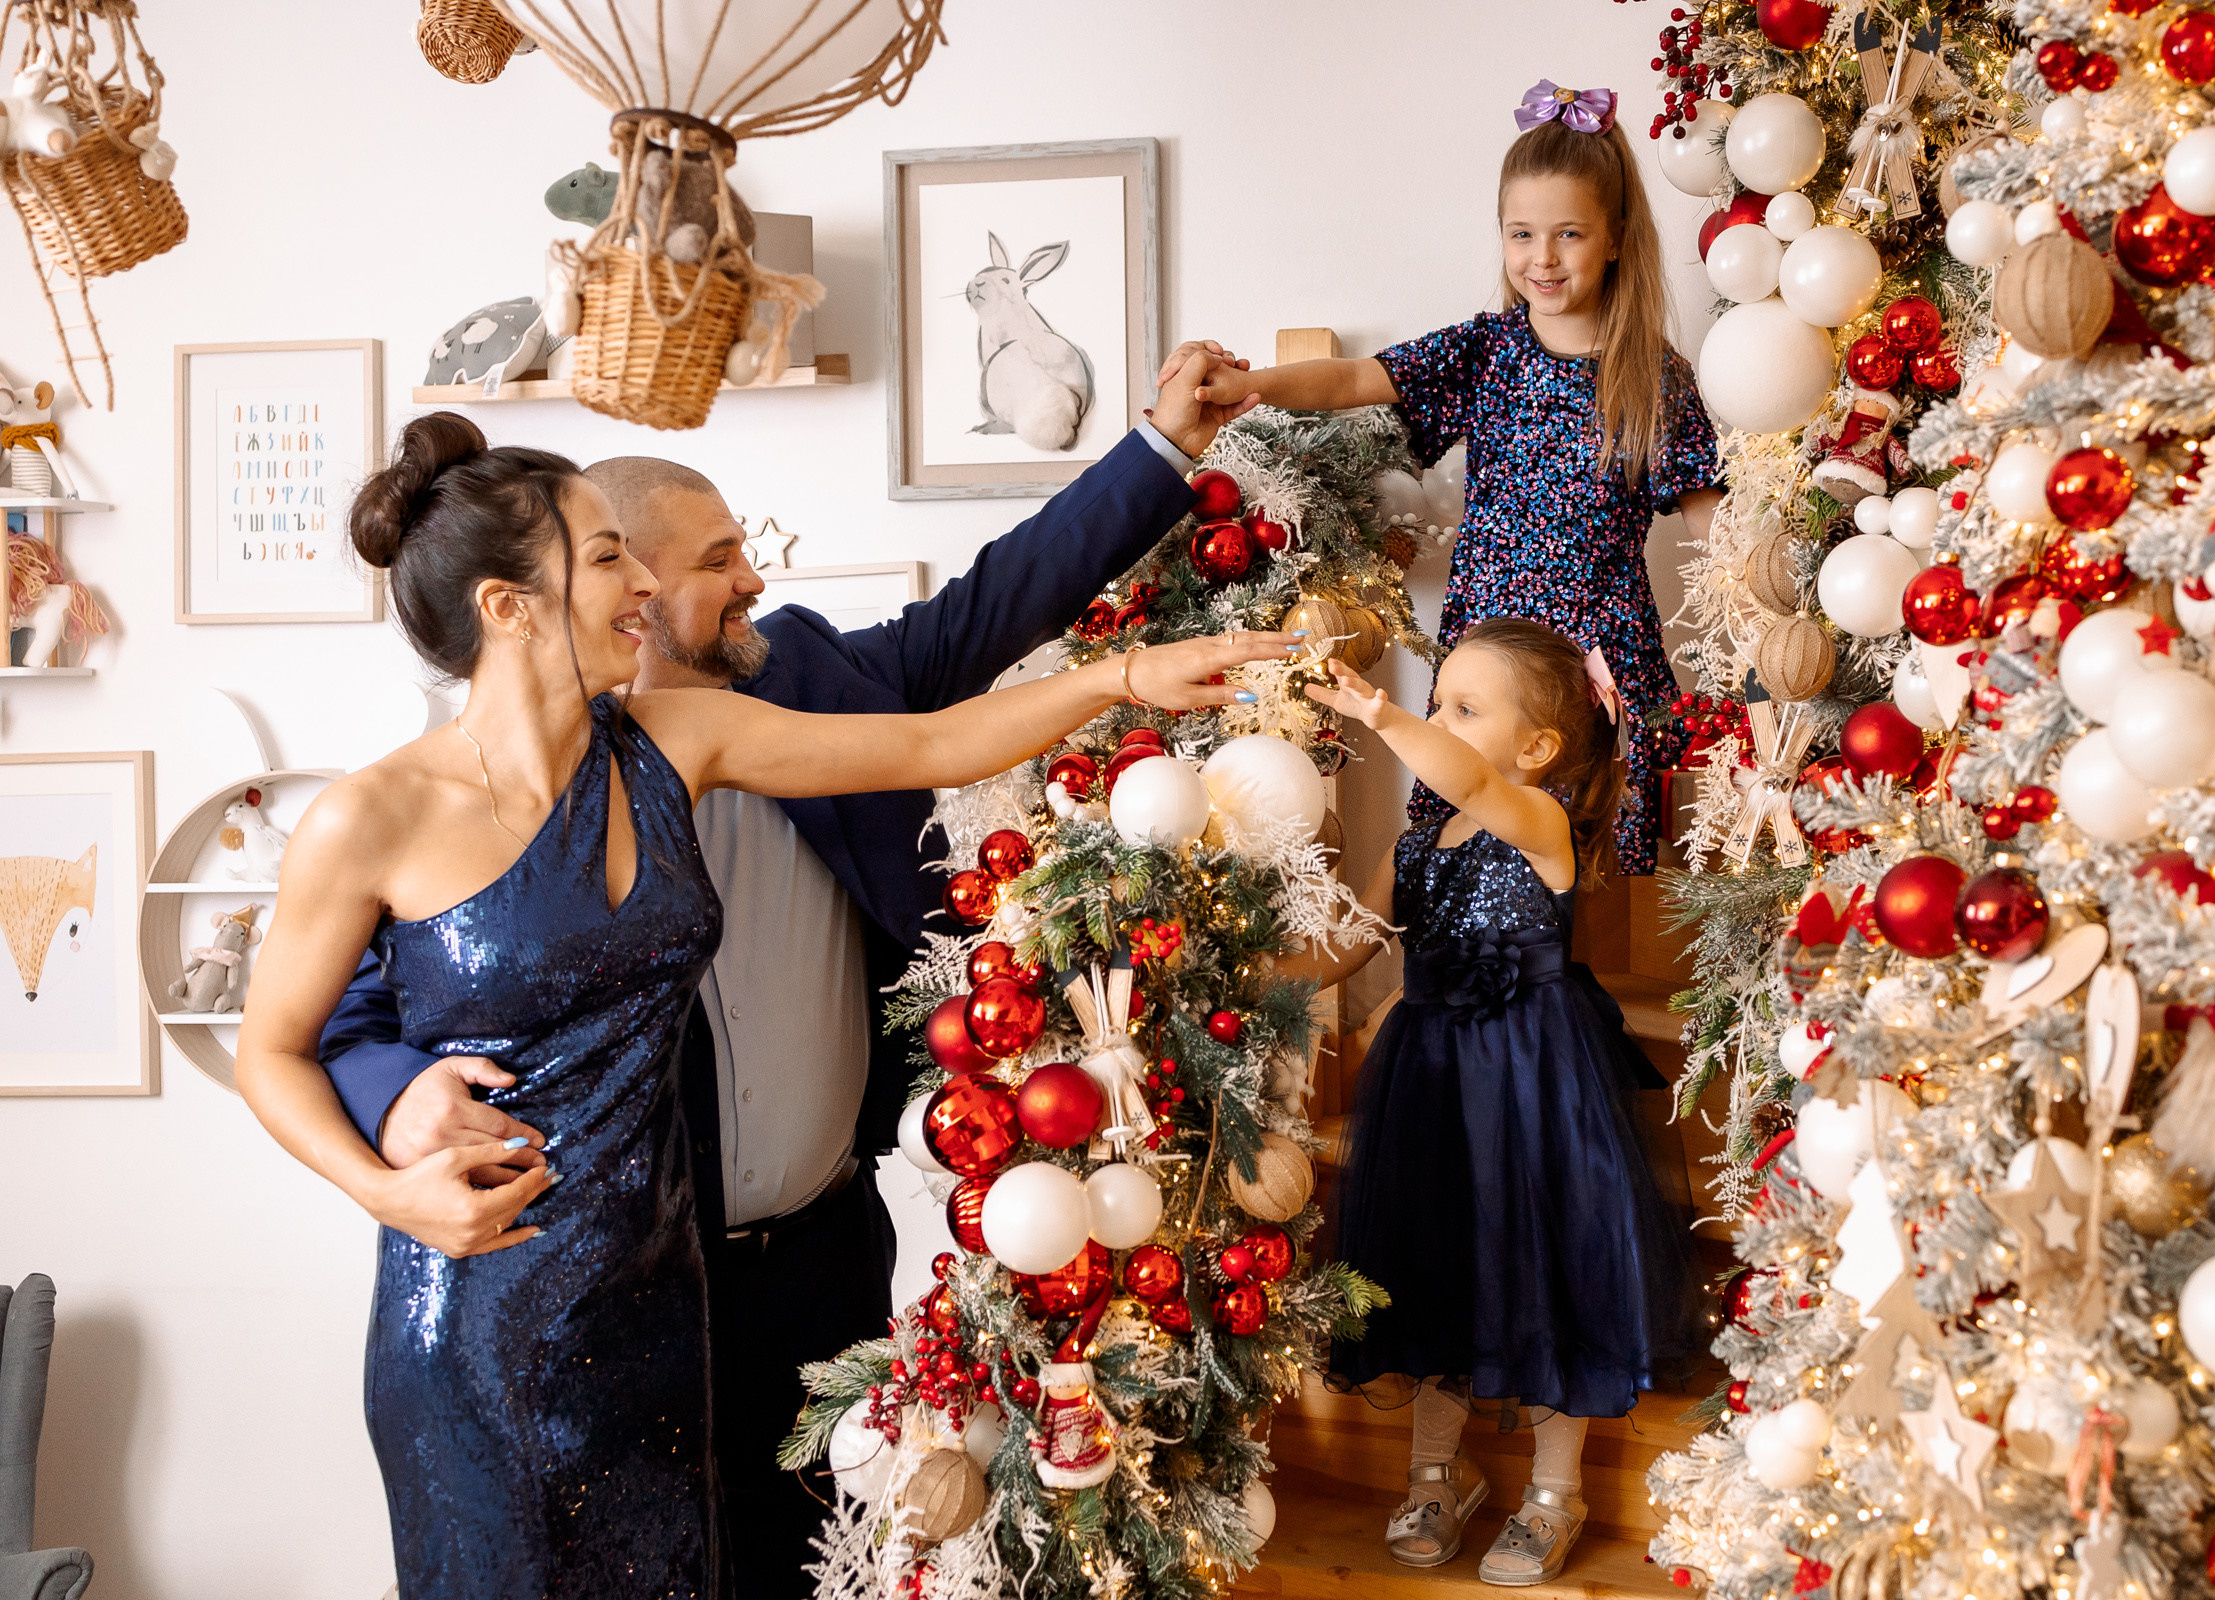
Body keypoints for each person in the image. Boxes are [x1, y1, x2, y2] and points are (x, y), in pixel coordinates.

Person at [232, 409, 1293, 1600]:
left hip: (662, 1311)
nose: (639, 581)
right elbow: (273, 1046)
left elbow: (932, 741)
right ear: (506, 605)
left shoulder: (674, 737)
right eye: (606, 555)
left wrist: (1123, 677)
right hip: (486, 1322)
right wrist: (388, 1189)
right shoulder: (368, 817)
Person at [1179, 81, 1724, 872]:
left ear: (1613, 237)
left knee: (1583, 858)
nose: (1542, 257)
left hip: (1597, 651)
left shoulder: (1654, 378)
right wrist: (1245, 387)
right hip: (1488, 646)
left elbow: (1717, 540)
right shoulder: (1488, 349)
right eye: (1521, 233)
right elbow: (1350, 381)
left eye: (1568, 233)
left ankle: (1561, 994)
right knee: (1464, 839)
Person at [1282, 620, 1690, 1587]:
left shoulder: (1541, 823)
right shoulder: (1417, 847)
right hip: (1431, 1087)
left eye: (1465, 709)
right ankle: (1436, 1472)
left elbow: (1471, 783)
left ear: (1538, 748)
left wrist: (1380, 715)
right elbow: (1347, 943)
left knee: (1544, 1271)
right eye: (1438, 702)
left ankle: (1557, 1488)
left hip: (1536, 1084)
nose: (1439, 721)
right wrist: (1254, 974)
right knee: (1434, 1268)